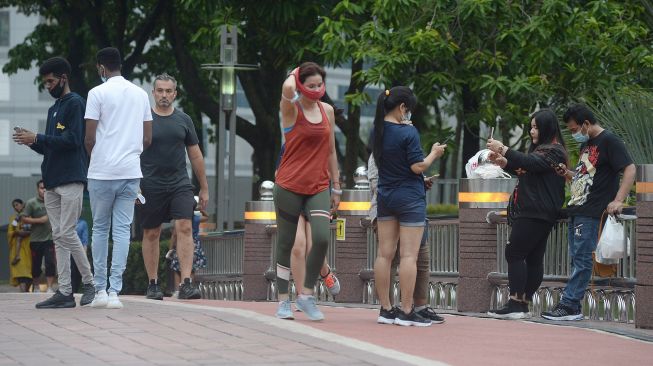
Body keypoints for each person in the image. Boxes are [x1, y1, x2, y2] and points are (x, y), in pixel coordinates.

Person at [13, 57, 96, 308]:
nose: (47, 86)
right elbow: (51, 146)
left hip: (71, 178)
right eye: (45, 82)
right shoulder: (53, 109)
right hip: (51, 180)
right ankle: (66, 291)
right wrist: (33, 141)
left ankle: (90, 283)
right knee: (58, 237)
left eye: (51, 81)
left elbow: (72, 140)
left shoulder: (76, 103)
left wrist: (39, 136)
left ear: (63, 78)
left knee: (64, 233)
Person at [541, 104, 635, 321]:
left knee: (582, 259)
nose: (574, 134)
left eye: (574, 129)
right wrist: (567, 173)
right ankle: (571, 305)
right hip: (578, 208)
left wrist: (618, 199)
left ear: (586, 124)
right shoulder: (588, 146)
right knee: (576, 258)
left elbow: (629, 168)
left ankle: (570, 305)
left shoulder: (609, 141)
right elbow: (585, 177)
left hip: (592, 211)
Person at [84, 47, 153, 309]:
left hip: (102, 172)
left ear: (102, 68)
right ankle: (115, 292)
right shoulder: (140, 94)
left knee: (100, 228)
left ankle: (100, 290)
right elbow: (147, 138)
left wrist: (98, 156)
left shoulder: (96, 93)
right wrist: (130, 154)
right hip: (130, 171)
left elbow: (89, 137)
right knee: (122, 230)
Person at [372, 86, 446, 327]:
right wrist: (434, 153)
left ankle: (385, 309)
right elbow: (417, 167)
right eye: (408, 109)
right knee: (408, 256)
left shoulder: (377, 131)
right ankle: (406, 310)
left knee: (384, 254)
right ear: (402, 108)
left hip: (386, 196)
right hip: (409, 198)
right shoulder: (408, 133)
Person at [485, 109, 568, 319]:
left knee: (514, 253)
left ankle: (515, 302)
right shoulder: (546, 150)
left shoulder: (554, 151)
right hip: (540, 211)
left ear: (546, 128)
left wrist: (503, 148)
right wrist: (505, 162)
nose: (532, 131)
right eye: (531, 127)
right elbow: (529, 168)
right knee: (532, 258)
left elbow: (531, 163)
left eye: (535, 127)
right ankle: (521, 304)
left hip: (535, 211)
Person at [274, 62, 340, 321]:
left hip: (318, 186)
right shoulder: (291, 108)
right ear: (300, 84)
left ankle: (307, 294)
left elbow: (332, 150)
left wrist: (337, 186)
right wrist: (295, 71)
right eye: (309, 85)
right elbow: (288, 87)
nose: (315, 90)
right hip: (289, 185)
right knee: (288, 243)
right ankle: (282, 302)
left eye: (319, 85)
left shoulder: (328, 111)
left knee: (322, 238)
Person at [139, 73, 209, 301]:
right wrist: (132, 185)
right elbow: (131, 152)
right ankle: (153, 284)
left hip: (180, 183)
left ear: (175, 94)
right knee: (151, 232)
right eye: (160, 91)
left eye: (169, 91)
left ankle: (187, 283)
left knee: (185, 227)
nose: (164, 95)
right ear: (153, 93)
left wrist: (204, 188)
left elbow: (196, 155)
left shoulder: (184, 120)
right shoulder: (143, 120)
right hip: (150, 183)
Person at [368, 155, 445, 324]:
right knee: (391, 257)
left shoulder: (407, 148)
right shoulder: (381, 150)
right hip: (388, 210)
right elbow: (376, 185)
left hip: (412, 209)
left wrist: (420, 183)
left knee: (422, 256)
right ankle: (389, 308)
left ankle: (419, 307)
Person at [276, 144, 341, 299]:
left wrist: (336, 190)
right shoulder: (290, 143)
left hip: (315, 195)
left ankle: (325, 272)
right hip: (292, 195)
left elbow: (331, 166)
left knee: (314, 246)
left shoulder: (322, 142)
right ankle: (302, 295)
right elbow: (278, 172)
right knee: (298, 246)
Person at [19, 180, 56, 295]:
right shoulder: (31, 203)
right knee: (36, 265)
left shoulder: (53, 202)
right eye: (41, 188)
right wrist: (39, 220)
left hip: (50, 239)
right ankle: (35, 287)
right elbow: (23, 218)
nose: (44, 190)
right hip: (35, 240)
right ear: (37, 189)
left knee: (50, 263)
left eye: (46, 188)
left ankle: (50, 288)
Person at [169, 199, 209, 297]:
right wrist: (201, 209)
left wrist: (170, 248)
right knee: (192, 268)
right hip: (195, 243)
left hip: (181, 243)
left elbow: (174, 235)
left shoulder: (180, 219)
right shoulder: (196, 217)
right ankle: (188, 287)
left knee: (177, 268)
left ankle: (177, 291)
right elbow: (207, 217)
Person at [7, 199, 32, 292]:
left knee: (30, 273)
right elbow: (11, 230)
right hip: (18, 249)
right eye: (14, 206)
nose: (16, 207)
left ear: (22, 205)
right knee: (21, 272)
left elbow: (32, 228)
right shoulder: (14, 218)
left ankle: (26, 292)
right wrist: (15, 232)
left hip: (29, 246)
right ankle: (23, 294)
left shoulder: (29, 215)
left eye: (17, 204)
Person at [70, 218, 89, 293]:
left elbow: (85, 241)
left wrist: (84, 257)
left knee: (77, 275)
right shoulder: (64, 221)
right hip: (67, 252)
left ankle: (74, 292)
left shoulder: (83, 223)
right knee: (70, 273)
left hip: (78, 252)